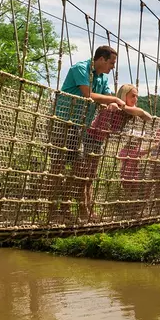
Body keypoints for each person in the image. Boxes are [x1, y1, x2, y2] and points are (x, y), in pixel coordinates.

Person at [47, 46, 125, 223]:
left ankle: (66, 210)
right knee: (57, 168)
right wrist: (113, 100)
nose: (112, 67)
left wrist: (111, 102)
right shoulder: (80, 69)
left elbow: (105, 96)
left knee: (78, 170)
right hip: (63, 123)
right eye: (111, 63)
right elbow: (88, 94)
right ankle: (52, 213)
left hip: (79, 128)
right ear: (101, 59)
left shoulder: (102, 78)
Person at [78, 84, 152, 220]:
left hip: (98, 142)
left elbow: (148, 117)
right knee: (85, 177)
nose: (135, 99)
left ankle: (88, 210)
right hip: (89, 139)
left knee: (91, 177)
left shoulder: (127, 110)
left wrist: (134, 110)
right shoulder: (114, 106)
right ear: (124, 96)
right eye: (132, 96)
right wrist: (117, 104)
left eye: (136, 96)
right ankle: (84, 210)